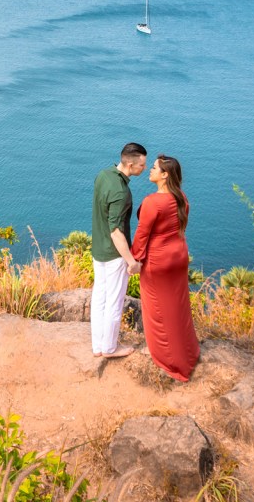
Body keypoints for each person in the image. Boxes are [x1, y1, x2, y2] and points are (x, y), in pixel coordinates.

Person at [131, 153, 200, 381]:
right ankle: (189, 353)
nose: (149, 170)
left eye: (154, 167)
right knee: (178, 309)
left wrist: (135, 260)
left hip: (158, 262)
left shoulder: (153, 202)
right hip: (178, 258)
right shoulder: (181, 198)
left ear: (164, 174)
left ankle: (172, 361)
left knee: (159, 312)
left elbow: (142, 235)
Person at [91, 142, 147, 358]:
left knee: (100, 297)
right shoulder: (121, 192)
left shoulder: (103, 175)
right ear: (131, 163)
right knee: (114, 301)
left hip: (98, 248)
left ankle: (98, 346)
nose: (145, 167)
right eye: (142, 164)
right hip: (114, 254)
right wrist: (131, 261)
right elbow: (116, 230)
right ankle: (110, 348)